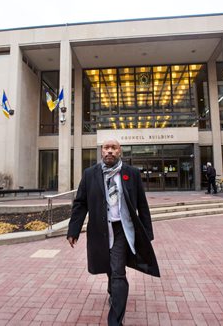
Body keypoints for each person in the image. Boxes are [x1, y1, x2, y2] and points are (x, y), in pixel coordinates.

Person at [67, 139, 160, 326]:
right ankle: (113, 292)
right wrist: (73, 230)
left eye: (114, 148)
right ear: (101, 151)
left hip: (122, 229)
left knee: (118, 270)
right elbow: (81, 203)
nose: (109, 151)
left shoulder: (131, 174)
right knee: (109, 266)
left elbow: (142, 203)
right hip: (100, 229)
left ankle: (115, 321)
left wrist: (147, 232)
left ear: (120, 152)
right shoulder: (90, 174)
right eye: (106, 148)